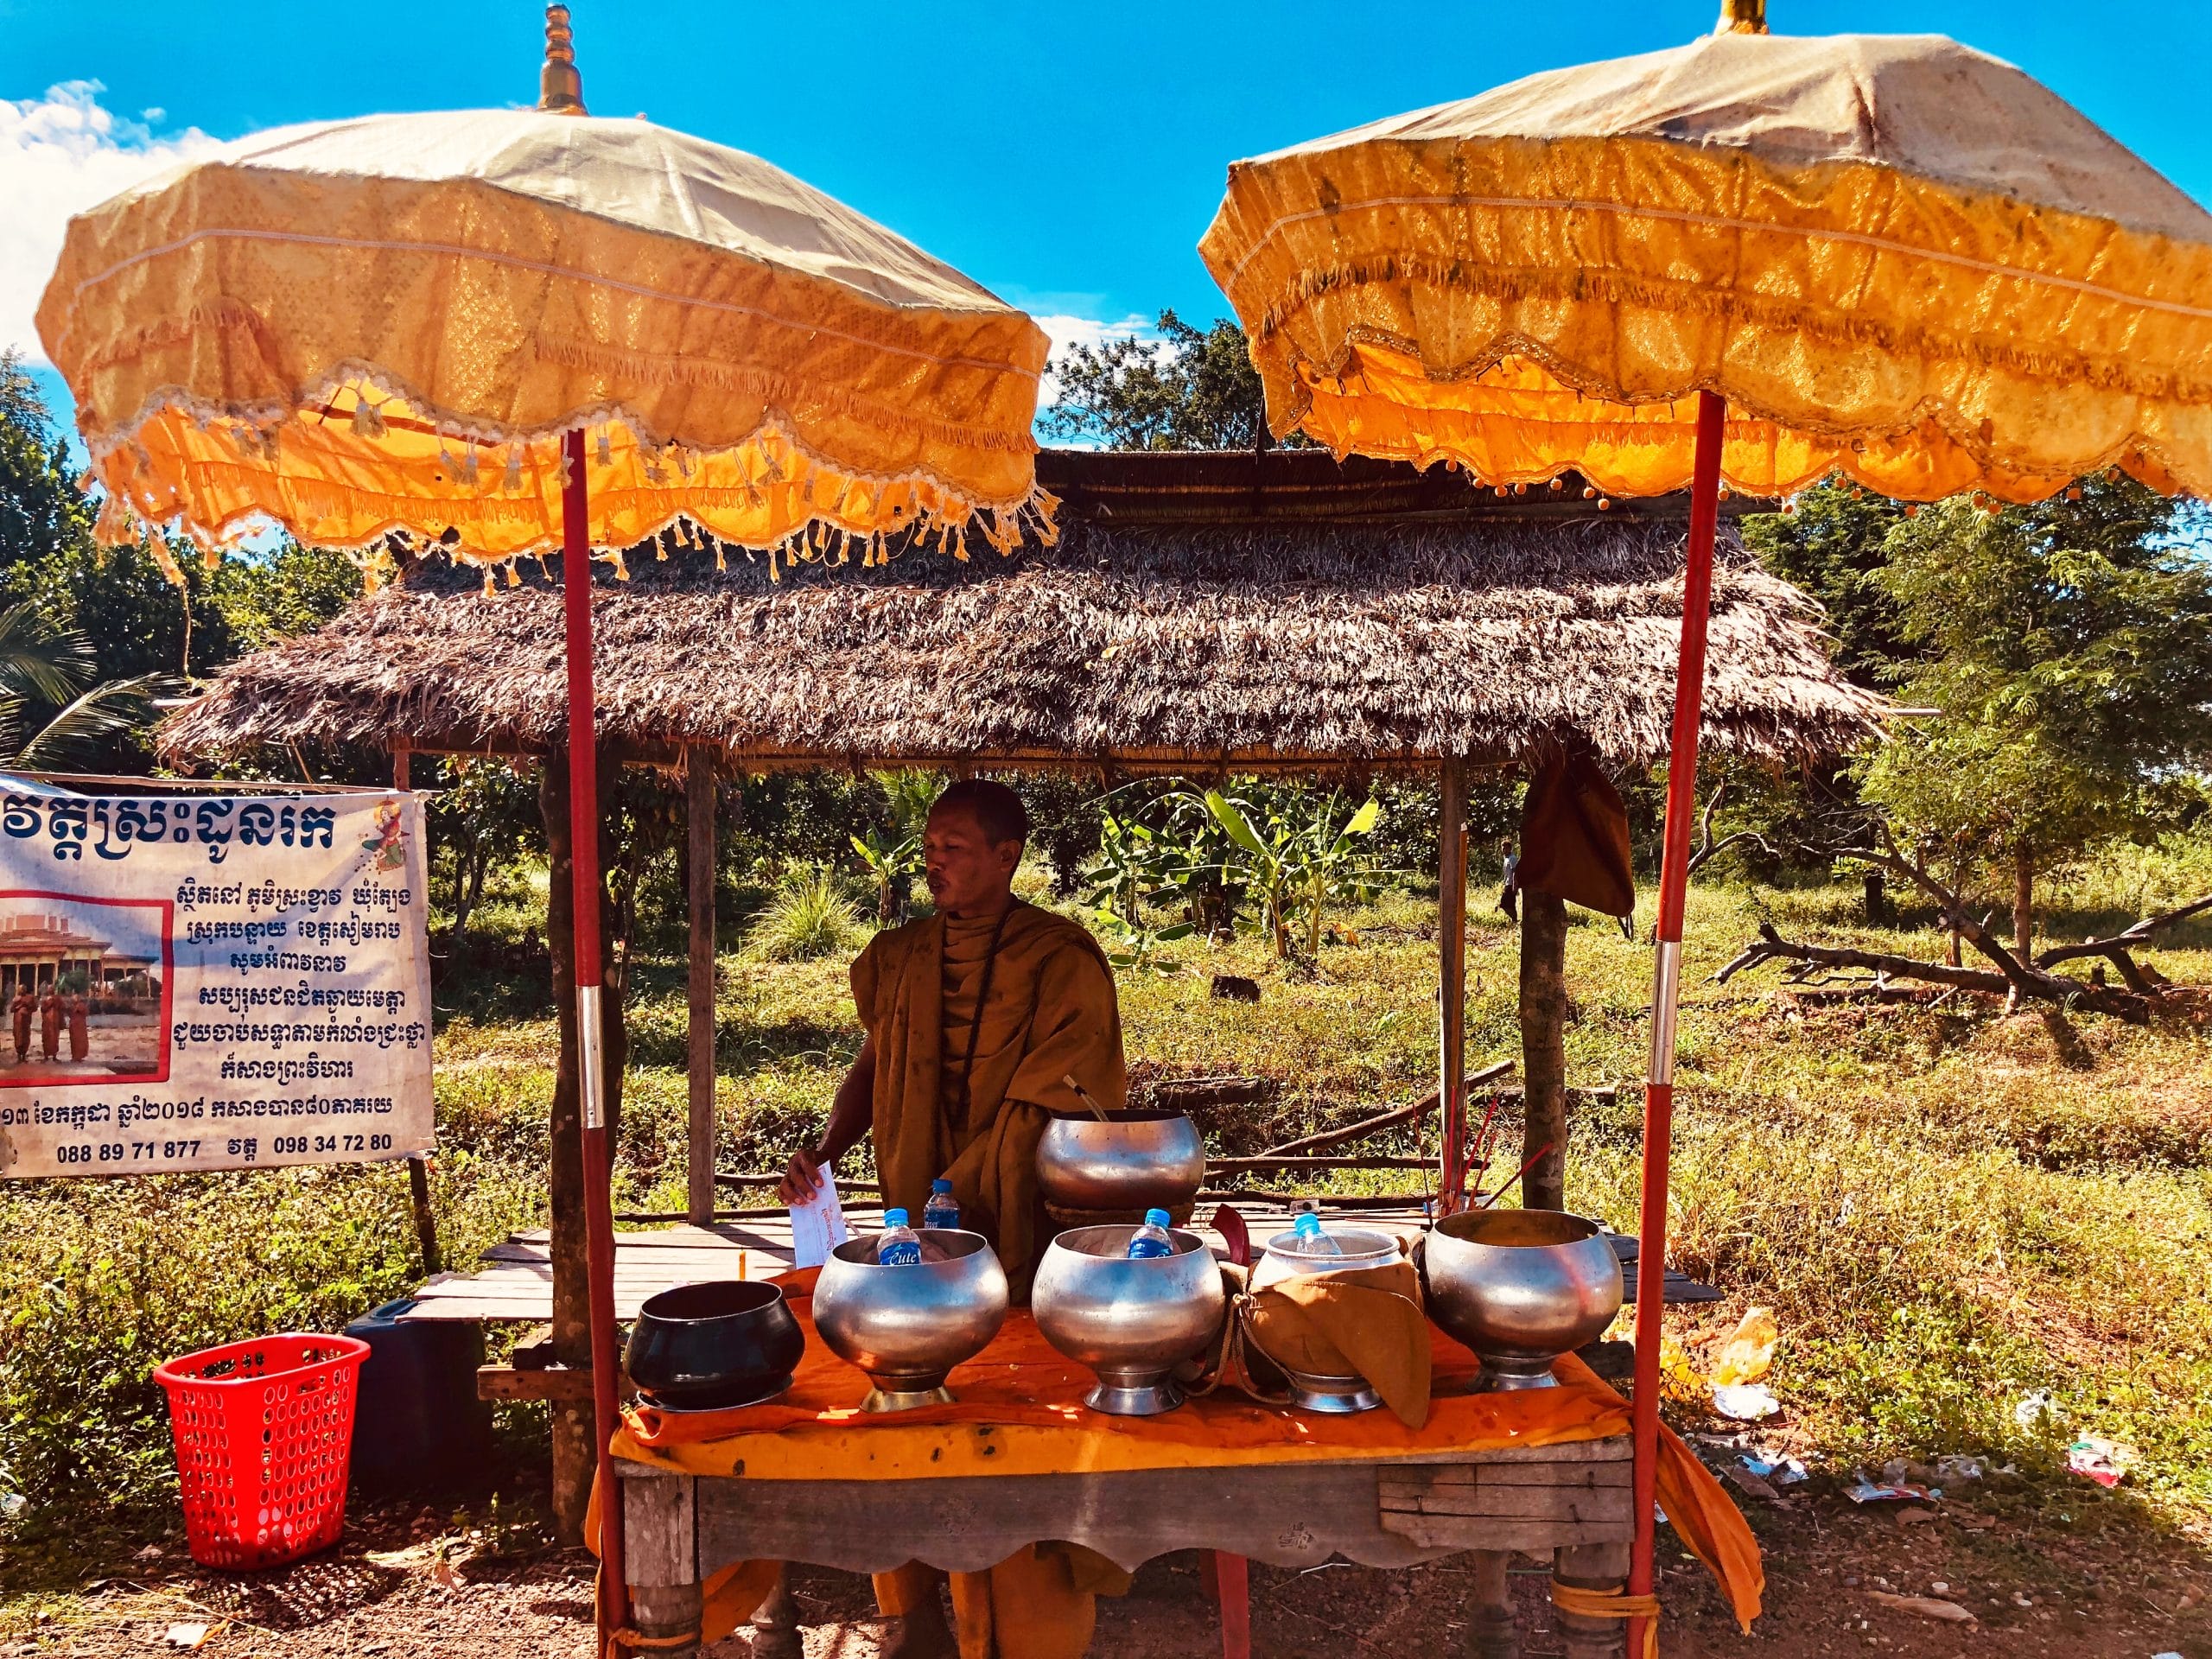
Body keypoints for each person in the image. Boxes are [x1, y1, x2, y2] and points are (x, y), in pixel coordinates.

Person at [775, 779, 1129, 1659]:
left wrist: (975, 1172)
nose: (934, 861)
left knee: (1017, 1399)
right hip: (913, 1215)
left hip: (1017, 1220)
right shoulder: (899, 957)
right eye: (929, 846)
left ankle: (1022, 1610)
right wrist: (824, 1147)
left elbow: (1071, 1092)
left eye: (956, 848)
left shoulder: (1060, 958)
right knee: (905, 1391)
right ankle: (912, 1606)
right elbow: (873, 1061)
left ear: (1007, 858)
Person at [10, 984, 34, 1063]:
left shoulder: (30, 998)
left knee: (26, 1038)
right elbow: (12, 1009)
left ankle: (24, 1056)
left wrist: (27, 1006)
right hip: (17, 1022)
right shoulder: (16, 999)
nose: (22, 990)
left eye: (23, 989)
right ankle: (19, 1057)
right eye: (20, 989)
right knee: (18, 1038)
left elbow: (35, 1007)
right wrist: (19, 1006)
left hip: (26, 1022)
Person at [39, 987, 61, 1062]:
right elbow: (43, 1009)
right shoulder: (47, 999)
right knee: (47, 1037)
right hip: (47, 1021)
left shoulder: (57, 999)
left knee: (54, 1038)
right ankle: (47, 1056)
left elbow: (62, 1007)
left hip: (54, 1021)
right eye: (49, 989)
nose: (50, 990)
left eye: (51, 988)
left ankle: (54, 1056)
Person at [67, 990, 89, 1063]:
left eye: (76, 998)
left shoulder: (81, 1005)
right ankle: (75, 1056)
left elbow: (86, 1012)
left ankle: (79, 1057)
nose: (74, 1000)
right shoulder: (71, 1006)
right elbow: (69, 1013)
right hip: (73, 1026)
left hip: (80, 1026)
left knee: (81, 1041)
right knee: (74, 1042)